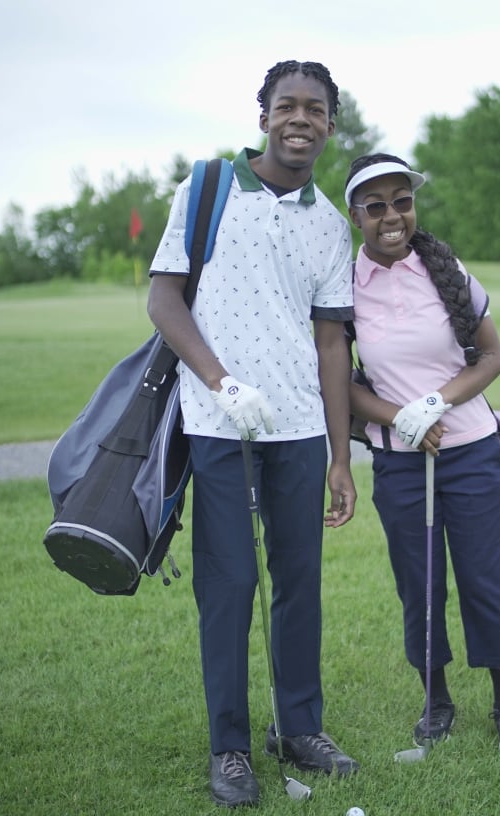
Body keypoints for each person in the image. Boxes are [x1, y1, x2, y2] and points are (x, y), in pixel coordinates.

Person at [147, 60, 359, 809]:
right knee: (232, 584)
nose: (300, 119)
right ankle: (230, 748)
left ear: (332, 123)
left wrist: (340, 454)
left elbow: (333, 345)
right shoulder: (206, 189)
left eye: (316, 109)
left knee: (299, 583)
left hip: (299, 429)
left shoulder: (333, 225)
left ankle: (300, 729)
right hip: (218, 421)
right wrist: (219, 380)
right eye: (287, 105)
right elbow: (164, 296)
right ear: (264, 113)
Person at [344, 153, 500, 757]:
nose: (392, 215)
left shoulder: (445, 269)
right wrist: (399, 416)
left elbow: (492, 358)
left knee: (484, 580)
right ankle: (436, 699)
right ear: (356, 217)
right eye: (376, 206)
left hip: (472, 450)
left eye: (402, 200)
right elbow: (336, 377)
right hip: (398, 461)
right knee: (419, 586)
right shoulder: (343, 285)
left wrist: (435, 401)